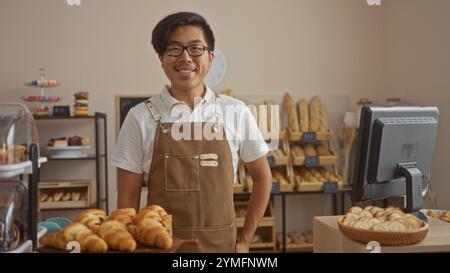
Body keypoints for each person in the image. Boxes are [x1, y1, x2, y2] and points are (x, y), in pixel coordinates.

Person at [112, 11, 272, 253]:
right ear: (161, 58)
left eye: (195, 48)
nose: (185, 57)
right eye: (174, 49)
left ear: (210, 56)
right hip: (160, 246)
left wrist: (245, 241)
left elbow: (263, 177)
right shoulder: (140, 117)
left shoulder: (235, 111)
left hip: (224, 248)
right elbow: (127, 200)